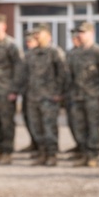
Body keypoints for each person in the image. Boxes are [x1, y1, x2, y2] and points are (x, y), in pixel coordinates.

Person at [64, 21, 99, 167]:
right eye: (79, 32)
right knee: (79, 126)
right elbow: (68, 75)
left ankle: (93, 156)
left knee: (92, 126)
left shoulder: (98, 52)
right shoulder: (74, 53)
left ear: (91, 33)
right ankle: (83, 154)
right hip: (76, 95)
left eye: (83, 32)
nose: (80, 35)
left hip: (93, 95)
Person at [22, 23, 67, 166]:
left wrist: (59, 92)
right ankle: (41, 154)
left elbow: (63, 74)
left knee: (49, 128)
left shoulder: (55, 52)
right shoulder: (31, 54)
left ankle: (52, 155)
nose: (36, 36)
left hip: (49, 96)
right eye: (35, 34)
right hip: (33, 96)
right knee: (36, 127)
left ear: (48, 36)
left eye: (39, 33)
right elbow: (25, 74)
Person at [0, 13, 23, 165]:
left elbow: (19, 68)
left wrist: (14, 90)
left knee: (6, 123)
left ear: (3, 26)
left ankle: (7, 152)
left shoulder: (11, 45)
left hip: (5, 91)